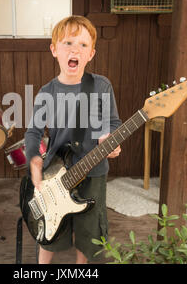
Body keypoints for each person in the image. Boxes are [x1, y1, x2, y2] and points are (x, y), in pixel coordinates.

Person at [24, 15, 122, 264]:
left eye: (83, 44)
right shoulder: (47, 92)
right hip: (57, 171)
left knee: (90, 229)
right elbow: (34, 132)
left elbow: (113, 122)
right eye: (68, 43)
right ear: (54, 50)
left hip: (94, 170)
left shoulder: (101, 86)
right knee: (52, 229)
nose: (75, 49)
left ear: (91, 54)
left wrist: (110, 138)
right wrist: (34, 159)